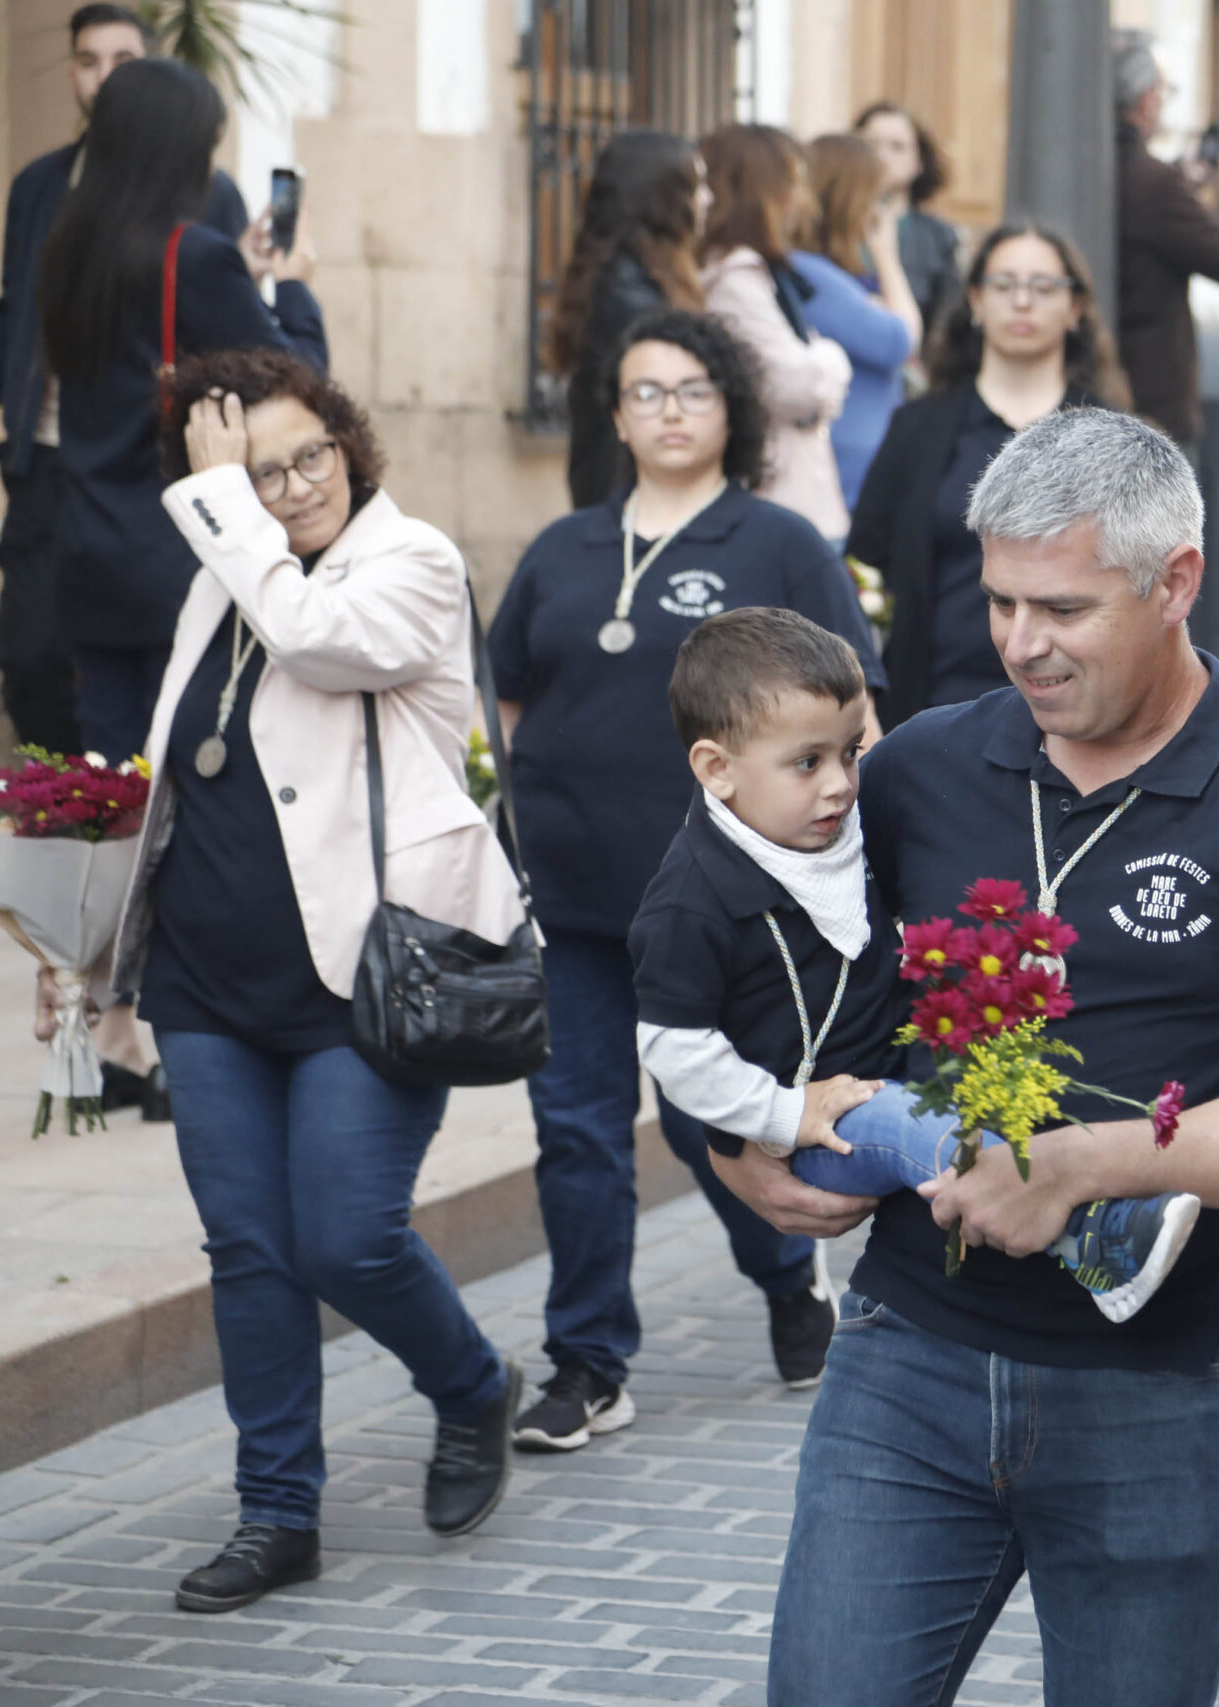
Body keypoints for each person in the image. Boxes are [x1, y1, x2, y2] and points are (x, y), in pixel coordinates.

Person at [711, 405, 1219, 1706]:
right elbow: (760, 978)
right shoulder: (917, 766)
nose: (1021, 643)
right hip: (908, 1356)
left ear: (1177, 582)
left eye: (1066, 609)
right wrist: (738, 1141)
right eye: (1001, 601)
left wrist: (1086, 1164)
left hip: (1166, 1395)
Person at [118, 348, 527, 1613]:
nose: (293, 488)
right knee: (248, 1250)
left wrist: (225, 506)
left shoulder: (412, 566)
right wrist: (95, 965)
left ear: (352, 447)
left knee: (345, 1238)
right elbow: (169, 782)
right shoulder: (214, 583)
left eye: (312, 457)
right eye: (260, 469)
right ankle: (276, 1511)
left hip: (367, 972)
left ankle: (471, 1385)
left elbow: (313, 636)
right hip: (205, 975)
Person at [486, 309, 887, 1451]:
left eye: (692, 391)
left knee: (712, 1121)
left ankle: (784, 1280)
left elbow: (855, 708)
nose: (668, 411)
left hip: (722, 911)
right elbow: (507, 698)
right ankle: (587, 1361)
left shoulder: (777, 544)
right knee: (575, 1129)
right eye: (645, 391)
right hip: (567, 899)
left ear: (731, 410)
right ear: (614, 413)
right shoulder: (562, 548)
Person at [631, 608, 1200, 1324]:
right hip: (821, 1126)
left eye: (850, 752)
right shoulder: (692, 898)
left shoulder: (826, 826)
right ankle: (1089, 1239)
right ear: (717, 768)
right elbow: (673, 1046)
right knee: (902, 1122)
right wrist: (783, 1113)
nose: (839, 784)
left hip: (889, 1070)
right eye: (808, 762)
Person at [0, 2, 249, 755]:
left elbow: (239, 331)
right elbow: (15, 309)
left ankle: (122, 811)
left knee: (145, 672)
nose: (103, 77)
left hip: (147, 469)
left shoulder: (207, 196)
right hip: (49, 461)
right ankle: (81, 799)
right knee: (30, 654)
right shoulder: (41, 189)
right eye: (87, 61)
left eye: (122, 61)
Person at [34, 54, 324, 763]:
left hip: (84, 552)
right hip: (175, 560)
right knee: (185, 779)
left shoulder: (71, 248)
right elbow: (301, 382)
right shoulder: (192, 255)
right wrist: (289, 288)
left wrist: (236, 273)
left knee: (111, 780)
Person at [849, 222, 1130, 723]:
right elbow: (862, 566)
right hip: (934, 706)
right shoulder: (917, 427)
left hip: (1080, 712)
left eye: (1043, 287)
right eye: (1003, 285)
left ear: (1075, 308)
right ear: (975, 301)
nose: (1022, 301)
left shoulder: (1116, 437)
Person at [1112, 33, 1219, 445]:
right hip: (1147, 417)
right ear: (1148, 100)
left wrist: (1182, 180)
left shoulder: (1099, 167)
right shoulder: (1152, 183)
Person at [697, 124, 852, 542]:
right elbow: (794, 385)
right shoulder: (734, 279)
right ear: (762, 191)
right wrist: (833, 358)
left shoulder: (763, 274)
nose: (801, 200)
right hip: (780, 495)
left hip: (796, 494)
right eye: (794, 181)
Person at [551, 130, 709, 511]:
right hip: (632, 501)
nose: (708, 200)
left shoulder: (628, 279)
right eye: (697, 186)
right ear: (662, 199)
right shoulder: (631, 297)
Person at [792, 133, 924, 509]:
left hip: (857, 459)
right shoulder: (809, 273)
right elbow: (901, 339)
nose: (880, 214)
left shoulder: (830, 275)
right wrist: (887, 256)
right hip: (844, 469)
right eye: (877, 197)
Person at [855, 102, 963, 341]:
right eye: (871, 144)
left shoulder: (939, 235)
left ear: (919, 162)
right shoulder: (831, 223)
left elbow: (946, 317)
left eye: (897, 147)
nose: (882, 156)